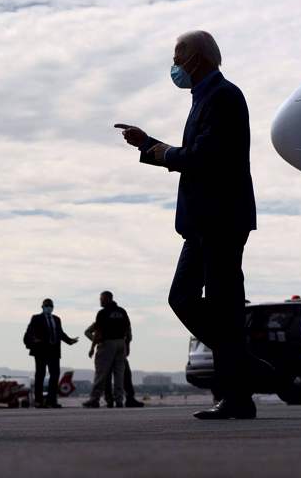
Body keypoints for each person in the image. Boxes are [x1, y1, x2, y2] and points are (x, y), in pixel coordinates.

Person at [116, 31, 269, 420]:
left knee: (220, 305)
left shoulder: (224, 96)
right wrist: (147, 144)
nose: (175, 65)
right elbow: (195, 153)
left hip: (220, 220)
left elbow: (205, 156)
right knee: (189, 300)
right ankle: (247, 373)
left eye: (178, 56)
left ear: (198, 59)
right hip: (204, 222)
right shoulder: (204, 97)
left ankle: (238, 394)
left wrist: (164, 152)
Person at [24, 299, 78, 408]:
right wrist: (31, 342)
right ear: (42, 307)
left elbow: (60, 333)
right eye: (47, 306)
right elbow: (29, 333)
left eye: (50, 306)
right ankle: (38, 401)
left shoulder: (56, 319)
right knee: (40, 375)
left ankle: (51, 400)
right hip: (41, 351)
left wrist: (70, 341)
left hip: (54, 351)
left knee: (54, 375)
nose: (49, 308)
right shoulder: (36, 318)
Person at [82, 291, 130, 408]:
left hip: (107, 344)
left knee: (101, 373)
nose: (100, 301)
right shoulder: (122, 312)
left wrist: (92, 347)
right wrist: (126, 346)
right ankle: (119, 400)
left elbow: (98, 332)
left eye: (101, 299)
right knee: (119, 374)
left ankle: (94, 399)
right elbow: (127, 329)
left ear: (107, 299)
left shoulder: (103, 313)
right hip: (121, 343)